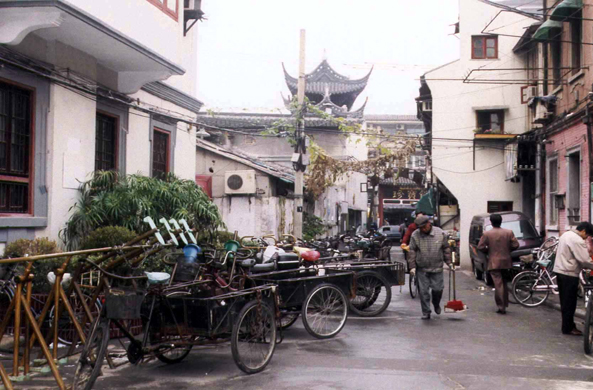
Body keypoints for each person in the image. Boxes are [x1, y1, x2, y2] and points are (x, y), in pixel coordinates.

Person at [408, 215, 452, 320]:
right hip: (422, 268)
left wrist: (449, 262)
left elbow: (446, 248)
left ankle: (436, 303)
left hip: (437, 267)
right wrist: (412, 267)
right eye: (420, 228)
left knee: (438, 289)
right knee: (423, 292)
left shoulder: (440, 233)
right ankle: (426, 311)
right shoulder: (415, 235)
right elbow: (412, 251)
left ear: (429, 223)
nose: (423, 229)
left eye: (424, 227)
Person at [554, 222, 593, 335]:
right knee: (570, 303)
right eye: (588, 235)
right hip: (569, 273)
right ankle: (568, 327)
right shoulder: (577, 240)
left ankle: (567, 326)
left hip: (560, 271)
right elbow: (584, 260)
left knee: (564, 302)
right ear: (584, 231)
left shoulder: (566, 235)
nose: (586, 238)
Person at [477, 213, 519, 314]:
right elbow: (516, 245)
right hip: (506, 261)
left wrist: (488, 251)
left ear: (491, 222)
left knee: (498, 284)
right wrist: (508, 249)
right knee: (504, 283)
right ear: (501, 221)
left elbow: (480, 247)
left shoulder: (487, 234)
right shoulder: (508, 232)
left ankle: (501, 306)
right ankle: (505, 303)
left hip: (494, 261)